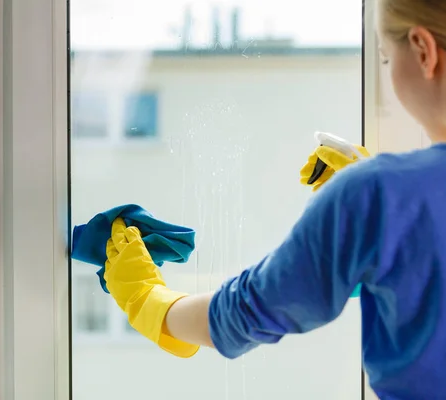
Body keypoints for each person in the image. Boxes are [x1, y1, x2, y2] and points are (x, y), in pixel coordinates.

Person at [103, 0, 446, 398]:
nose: (387, 73)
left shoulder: (373, 195)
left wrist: (148, 301)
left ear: (424, 50)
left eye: (386, 59)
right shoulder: (384, 195)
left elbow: (250, 311)